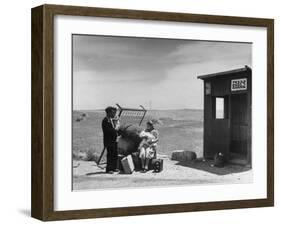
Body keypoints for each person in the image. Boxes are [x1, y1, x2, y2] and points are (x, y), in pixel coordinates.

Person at [102, 106, 120, 174]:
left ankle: (114, 168)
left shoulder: (111, 120)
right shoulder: (105, 120)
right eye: (113, 113)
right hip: (109, 141)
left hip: (114, 140)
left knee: (115, 154)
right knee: (110, 155)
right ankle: (109, 169)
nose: (114, 114)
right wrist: (116, 128)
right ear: (108, 113)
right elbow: (108, 131)